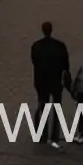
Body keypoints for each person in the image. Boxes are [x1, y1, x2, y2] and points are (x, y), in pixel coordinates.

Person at [30, 22, 71, 150]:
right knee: (57, 107)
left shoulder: (36, 46)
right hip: (56, 81)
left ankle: (43, 134)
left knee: (43, 106)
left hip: (41, 82)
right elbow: (66, 65)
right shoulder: (60, 46)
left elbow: (34, 61)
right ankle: (54, 135)